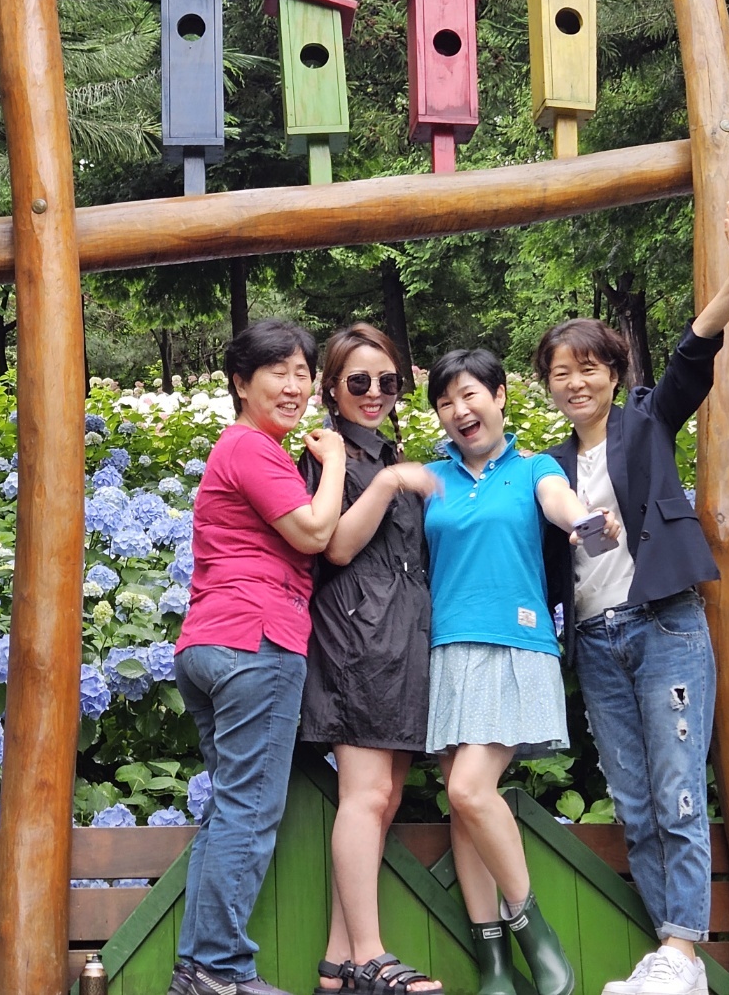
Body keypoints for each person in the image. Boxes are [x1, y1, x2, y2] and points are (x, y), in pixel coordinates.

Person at [534, 199, 729, 995]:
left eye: (588, 367)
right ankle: (671, 961)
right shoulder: (548, 467)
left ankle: (682, 953)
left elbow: (693, 352)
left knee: (676, 794)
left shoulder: (647, 422)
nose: (576, 382)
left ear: (613, 372)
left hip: (664, 627)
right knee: (634, 804)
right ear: (548, 386)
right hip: (597, 642)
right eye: (561, 372)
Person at [424, 349, 617, 995]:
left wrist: (583, 521)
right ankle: (496, 968)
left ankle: (535, 933)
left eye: (470, 394)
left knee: (468, 790)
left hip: (514, 644)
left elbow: (559, 502)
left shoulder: (535, 468)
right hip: (445, 652)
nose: (460, 410)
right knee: (463, 808)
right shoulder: (431, 478)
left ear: (500, 396)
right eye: (446, 402)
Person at [172, 319, 347, 995]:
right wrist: (335, 459)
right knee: (248, 811)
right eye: (279, 371)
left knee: (228, 810)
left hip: (210, 643)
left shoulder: (243, 448)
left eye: (304, 372)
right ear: (241, 383)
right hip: (257, 641)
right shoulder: (251, 446)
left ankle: (197, 971)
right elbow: (313, 531)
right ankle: (220, 968)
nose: (295, 385)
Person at [298, 323, 443, 995]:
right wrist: (386, 484)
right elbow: (334, 544)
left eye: (388, 381)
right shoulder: (327, 454)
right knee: (367, 795)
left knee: (385, 801)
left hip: (404, 639)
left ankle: (338, 963)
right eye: (359, 381)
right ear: (332, 388)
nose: (375, 392)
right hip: (356, 636)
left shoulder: (391, 455)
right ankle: (371, 954)